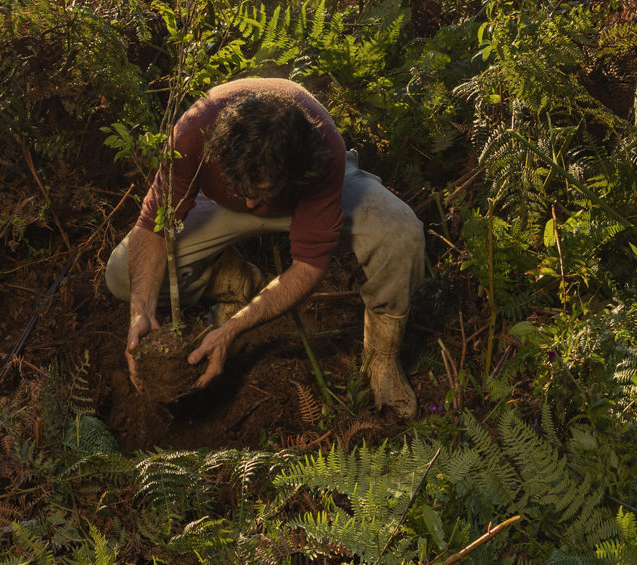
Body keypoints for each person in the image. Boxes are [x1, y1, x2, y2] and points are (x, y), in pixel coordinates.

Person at [103, 76, 424, 416]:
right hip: (221, 206)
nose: (253, 203)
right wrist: (141, 309)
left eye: (262, 191)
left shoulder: (321, 152)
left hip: (307, 200)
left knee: (401, 233)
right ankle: (237, 282)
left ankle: (382, 359)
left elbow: (310, 263)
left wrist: (234, 328)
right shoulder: (193, 133)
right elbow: (153, 228)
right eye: (243, 187)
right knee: (122, 274)